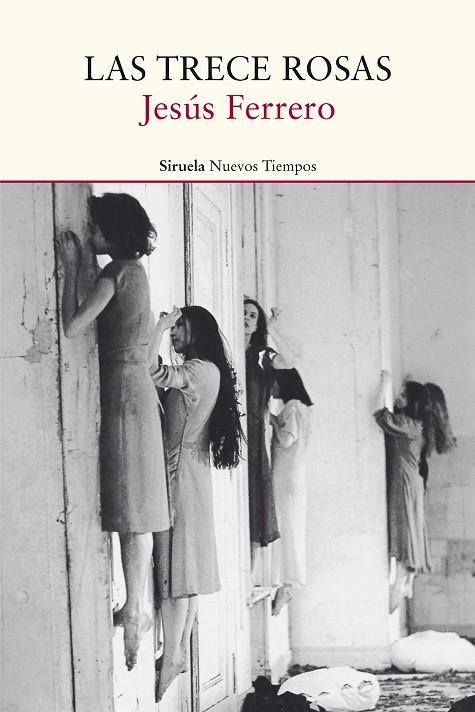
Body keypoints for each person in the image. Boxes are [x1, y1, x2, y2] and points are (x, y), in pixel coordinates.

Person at [55, 193, 169, 671]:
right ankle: (136, 605)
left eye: (96, 226)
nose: (91, 231)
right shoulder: (136, 272)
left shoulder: (115, 272)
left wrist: (72, 268)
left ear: (112, 231)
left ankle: (136, 609)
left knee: (130, 506)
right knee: (138, 506)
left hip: (122, 393)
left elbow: (72, 326)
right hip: (138, 390)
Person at [150, 305, 244, 700]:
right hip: (189, 474)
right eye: (173, 327)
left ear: (197, 331)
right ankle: (178, 652)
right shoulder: (206, 369)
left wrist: (157, 326)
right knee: (183, 571)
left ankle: (173, 653)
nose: (174, 333)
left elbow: (150, 369)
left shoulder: (198, 370)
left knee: (176, 572)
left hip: (180, 477)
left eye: (179, 326)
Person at [374, 373, 432, 612]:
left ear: (412, 401)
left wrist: (384, 383)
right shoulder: (416, 425)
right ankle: (404, 584)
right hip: (410, 480)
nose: (399, 397)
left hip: (406, 481)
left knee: (406, 531)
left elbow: (380, 416)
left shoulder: (408, 425)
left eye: (403, 395)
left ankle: (400, 586)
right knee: (410, 531)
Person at [244, 299, 297, 551]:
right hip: (229, 425)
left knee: (256, 498)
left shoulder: (261, 355)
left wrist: (273, 329)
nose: (246, 318)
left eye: (252, 315)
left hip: (254, 431)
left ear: (258, 325)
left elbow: (289, 361)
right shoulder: (225, 350)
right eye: (243, 313)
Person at [270, 368, 313, 614]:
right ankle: (287, 583)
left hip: (285, 476)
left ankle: (287, 583)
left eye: (275, 383)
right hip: (294, 474)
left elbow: (286, 438)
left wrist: (272, 420)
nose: (272, 388)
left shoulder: (292, 407)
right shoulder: (303, 409)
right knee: (291, 528)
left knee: (285, 526)